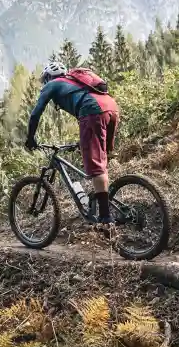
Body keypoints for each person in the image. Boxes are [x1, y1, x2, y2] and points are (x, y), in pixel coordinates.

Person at [24, 60, 120, 224]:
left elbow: (35, 114)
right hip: (111, 106)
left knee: (96, 168)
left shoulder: (53, 84)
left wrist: (30, 138)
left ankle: (105, 218)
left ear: (48, 77)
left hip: (92, 110)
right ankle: (103, 196)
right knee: (102, 157)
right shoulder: (75, 82)